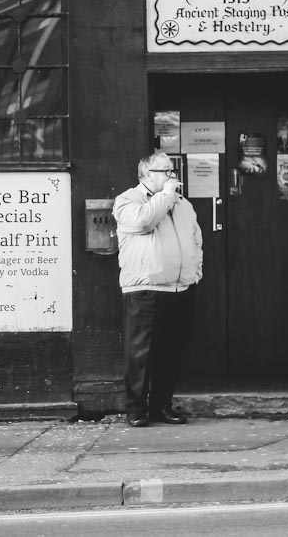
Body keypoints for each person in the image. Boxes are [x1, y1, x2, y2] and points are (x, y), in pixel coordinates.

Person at [112, 151, 203, 427]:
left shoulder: (182, 204)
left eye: (172, 170)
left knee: (170, 352)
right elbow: (143, 222)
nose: (172, 176)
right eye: (165, 171)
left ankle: (161, 405)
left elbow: (195, 238)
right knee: (141, 352)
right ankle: (136, 409)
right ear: (146, 175)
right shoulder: (128, 200)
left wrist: (195, 271)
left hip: (180, 288)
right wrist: (165, 196)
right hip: (145, 288)